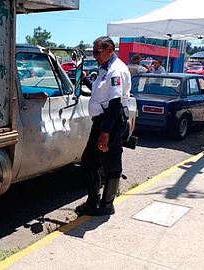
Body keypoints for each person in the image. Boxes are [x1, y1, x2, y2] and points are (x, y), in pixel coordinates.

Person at [76, 36, 131, 216]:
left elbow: (114, 104)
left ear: (110, 50)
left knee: (111, 165)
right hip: (101, 122)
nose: (95, 55)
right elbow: (100, 94)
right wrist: (85, 80)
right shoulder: (104, 69)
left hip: (111, 122)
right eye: (94, 52)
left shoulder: (115, 70)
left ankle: (107, 205)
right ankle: (93, 202)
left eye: (98, 52)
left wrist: (105, 132)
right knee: (88, 163)